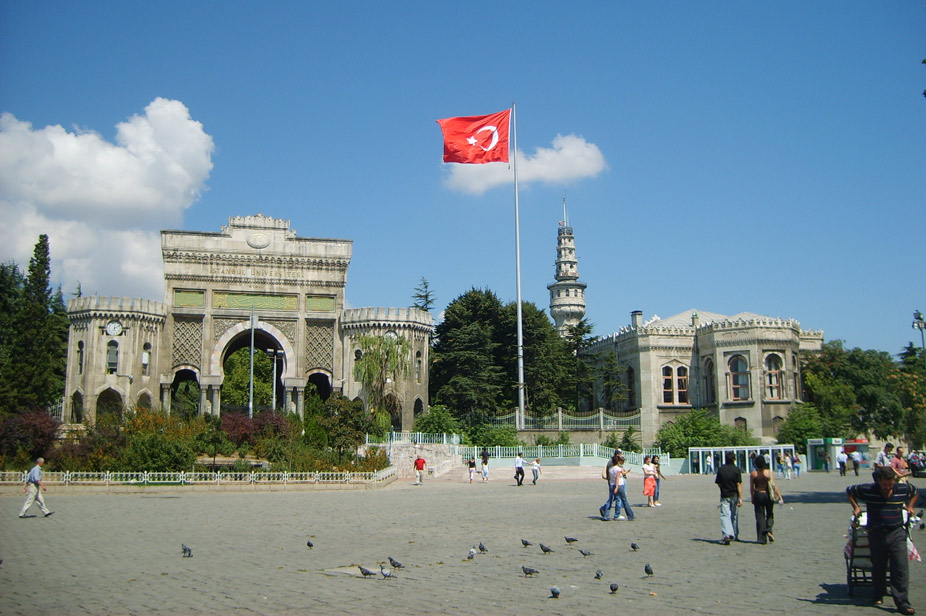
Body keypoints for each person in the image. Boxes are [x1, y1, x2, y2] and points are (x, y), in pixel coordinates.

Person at [847, 466, 918, 615]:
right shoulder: (868, 489)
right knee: (878, 566)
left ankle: (902, 602)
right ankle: (878, 593)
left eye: (890, 485)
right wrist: (856, 508)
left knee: (900, 568)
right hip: (877, 533)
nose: (887, 488)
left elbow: (915, 492)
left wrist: (910, 506)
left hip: (897, 532)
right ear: (878, 481)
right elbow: (850, 491)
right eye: (884, 485)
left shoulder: (902, 489)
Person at [749, 455, 781, 544]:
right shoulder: (769, 473)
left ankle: (761, 538)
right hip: (768, 494)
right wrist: (779, 496)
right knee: (770, 514)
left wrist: (752, 497)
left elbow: (752, 487)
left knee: (760, 516)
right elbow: (773, 485)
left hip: (758, 494)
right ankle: (769, 529)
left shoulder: (753, 474)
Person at [715, 452, 742, 544]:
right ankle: (734, 534)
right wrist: (741, 497)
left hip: (725, 494)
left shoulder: (721, 469)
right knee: (734, 515)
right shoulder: (736, 470)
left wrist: (722, 489)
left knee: (725, 515)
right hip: (734, 495)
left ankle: (727, 534)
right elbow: (739, 484)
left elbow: (718, 483)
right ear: (734, 459)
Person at [612, 454, 635, 521]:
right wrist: (627, 471)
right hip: (619, 484)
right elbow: (618, 477)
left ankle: (617, 514)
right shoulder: (618, 469)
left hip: (614, 484)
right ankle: (630, 515)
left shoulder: (612, 468)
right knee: (623, 500)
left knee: (617, 499)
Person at [599, 452, 620, 520]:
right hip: (613, 482)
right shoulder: (612, 463)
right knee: (615, 497)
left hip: (612, 482)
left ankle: (606, 510)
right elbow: (613, 473)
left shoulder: (611, 462)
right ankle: (606, 509)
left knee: (614, 497)